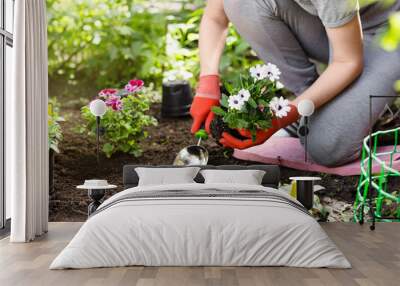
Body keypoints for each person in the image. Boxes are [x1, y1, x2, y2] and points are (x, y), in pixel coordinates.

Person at [190, 0, 400, 167]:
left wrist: (284, 117)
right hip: (338, 29)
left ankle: (348, 112)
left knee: (326, 148)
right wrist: (208, 82)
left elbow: (348, 62)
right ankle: (312, 105)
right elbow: (215, 17)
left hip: (389, 31)